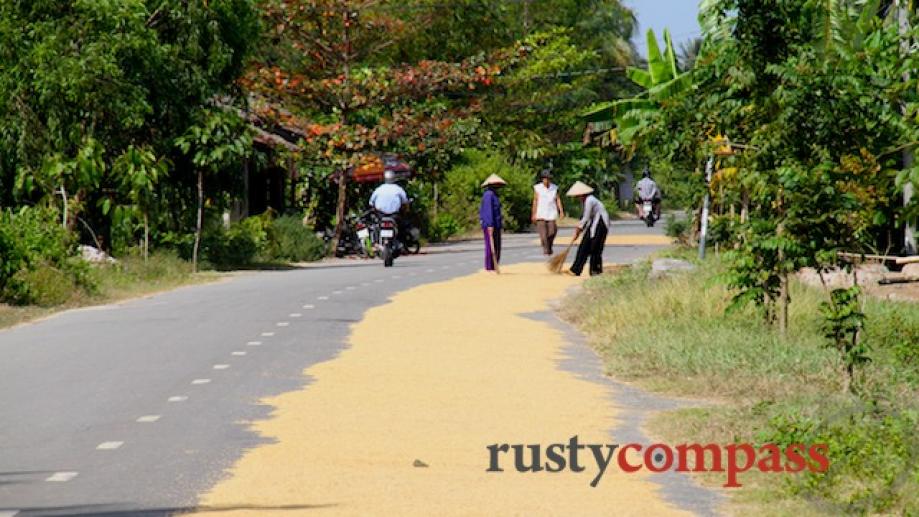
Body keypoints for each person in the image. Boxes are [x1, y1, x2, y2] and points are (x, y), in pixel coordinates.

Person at [566, 181, 610, 277]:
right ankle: (576, 269)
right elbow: (586, 218)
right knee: (584, 246)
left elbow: (585, 218)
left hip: (601, 224)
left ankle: (596, 270)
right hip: (593, 223)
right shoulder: (585, 201)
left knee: (595, 247)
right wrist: (580, 229)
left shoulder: (590, 200)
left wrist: (578, 229)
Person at [531, 169, 564, 255]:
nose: (547, 180)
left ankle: (549, 245)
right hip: (541, 213)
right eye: (545, 178)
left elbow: (558, 199)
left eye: (548, 178)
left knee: (552, 232)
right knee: (543, 235)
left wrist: (561, 211)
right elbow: (535, 201)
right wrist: (533, 213)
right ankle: (546, 250)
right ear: (542, 179)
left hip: (551, 213)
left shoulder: (554, 188)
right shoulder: (537, 188)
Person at [479, 174, 506, 273]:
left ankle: (495, 265)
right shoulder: (488, 195)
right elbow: (487, 211)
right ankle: (489, 267)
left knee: (497, 245)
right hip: (490, 225)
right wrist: (490, 225)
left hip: (496, 224)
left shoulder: (495, 195)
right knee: (490, 246)